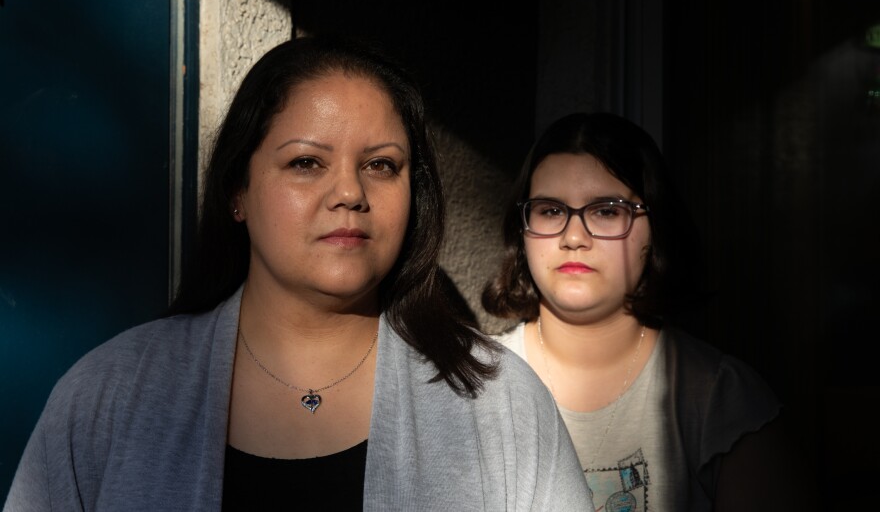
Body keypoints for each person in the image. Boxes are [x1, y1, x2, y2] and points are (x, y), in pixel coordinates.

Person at [4, 36, 593, 511]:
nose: (349, 192)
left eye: (381, 165)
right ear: (239, 188)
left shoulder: (497, 404)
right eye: (306, 163)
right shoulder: (108, 398)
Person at [481, 112, 807, 511]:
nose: (573, 236)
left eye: (606, 210)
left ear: (655, 231)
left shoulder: (719, 398)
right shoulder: (471, 384)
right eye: (550, 210)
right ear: (522, 230)